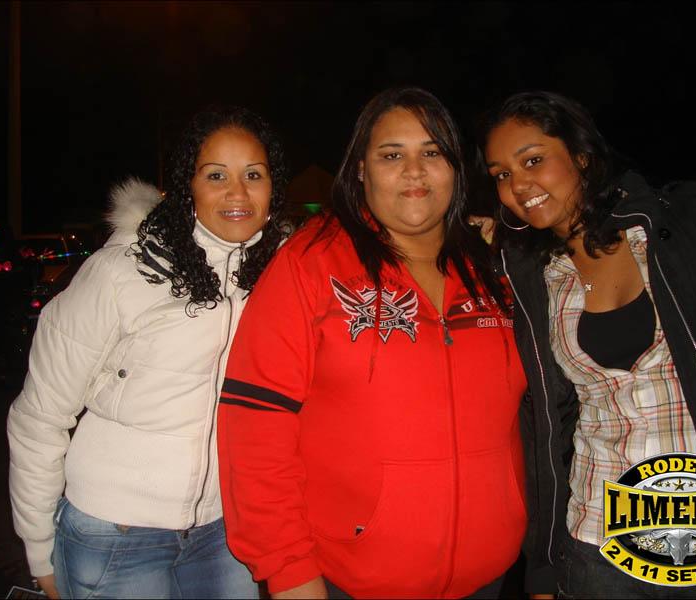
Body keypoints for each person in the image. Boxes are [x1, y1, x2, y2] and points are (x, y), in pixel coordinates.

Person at [217, 86, 528, 599]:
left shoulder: (496, 266)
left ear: (456, 167)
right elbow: (255, 424)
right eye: (391, 155)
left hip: (487, 575)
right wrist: (288, 570)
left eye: (432, 152)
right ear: (361, 169)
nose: (414, 171)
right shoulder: (310, 264)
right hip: (350, 580)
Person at [480, 90, 696, 599]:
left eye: (532, 160)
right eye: (501, 174)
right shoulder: (538, 276)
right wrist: (545, 564)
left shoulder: (685, 231)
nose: (518, 185)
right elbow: (546, 423)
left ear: (581, 156)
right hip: (596, 542)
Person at [7, 105, 289, 599]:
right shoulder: (122, 271)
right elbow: (40, 415)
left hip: (224, 533)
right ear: (187, 187)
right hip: (114, 535)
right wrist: (38, 547)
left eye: (253, 175)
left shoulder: (279, 279)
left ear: (273, 189)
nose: (237, 192)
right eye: (216, 175)